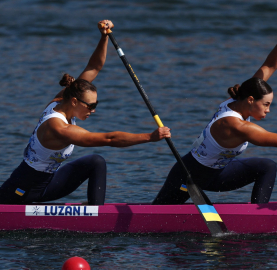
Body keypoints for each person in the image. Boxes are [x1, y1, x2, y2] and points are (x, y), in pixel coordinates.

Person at [152, 15, 277, 205]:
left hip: (218, 174)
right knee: (155, 221)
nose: (268, 110)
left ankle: (258, 215)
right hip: (188, 176)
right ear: (251, 100)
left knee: (266, 166)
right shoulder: (235, 125)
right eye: (266, 104)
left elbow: (270, 65)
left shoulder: (238, 99)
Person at [0, 20, 171, 206]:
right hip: (23, 190)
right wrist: (149, 137)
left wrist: (104, 37)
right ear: (74, 101)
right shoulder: (58, 127)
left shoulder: (63, 100)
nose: (93, 110)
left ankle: (95, 212)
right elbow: (109, 139)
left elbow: (94, 67)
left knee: (96, 162)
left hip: (47, 182)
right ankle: (96, 219)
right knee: (97, 159)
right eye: (90, 106)